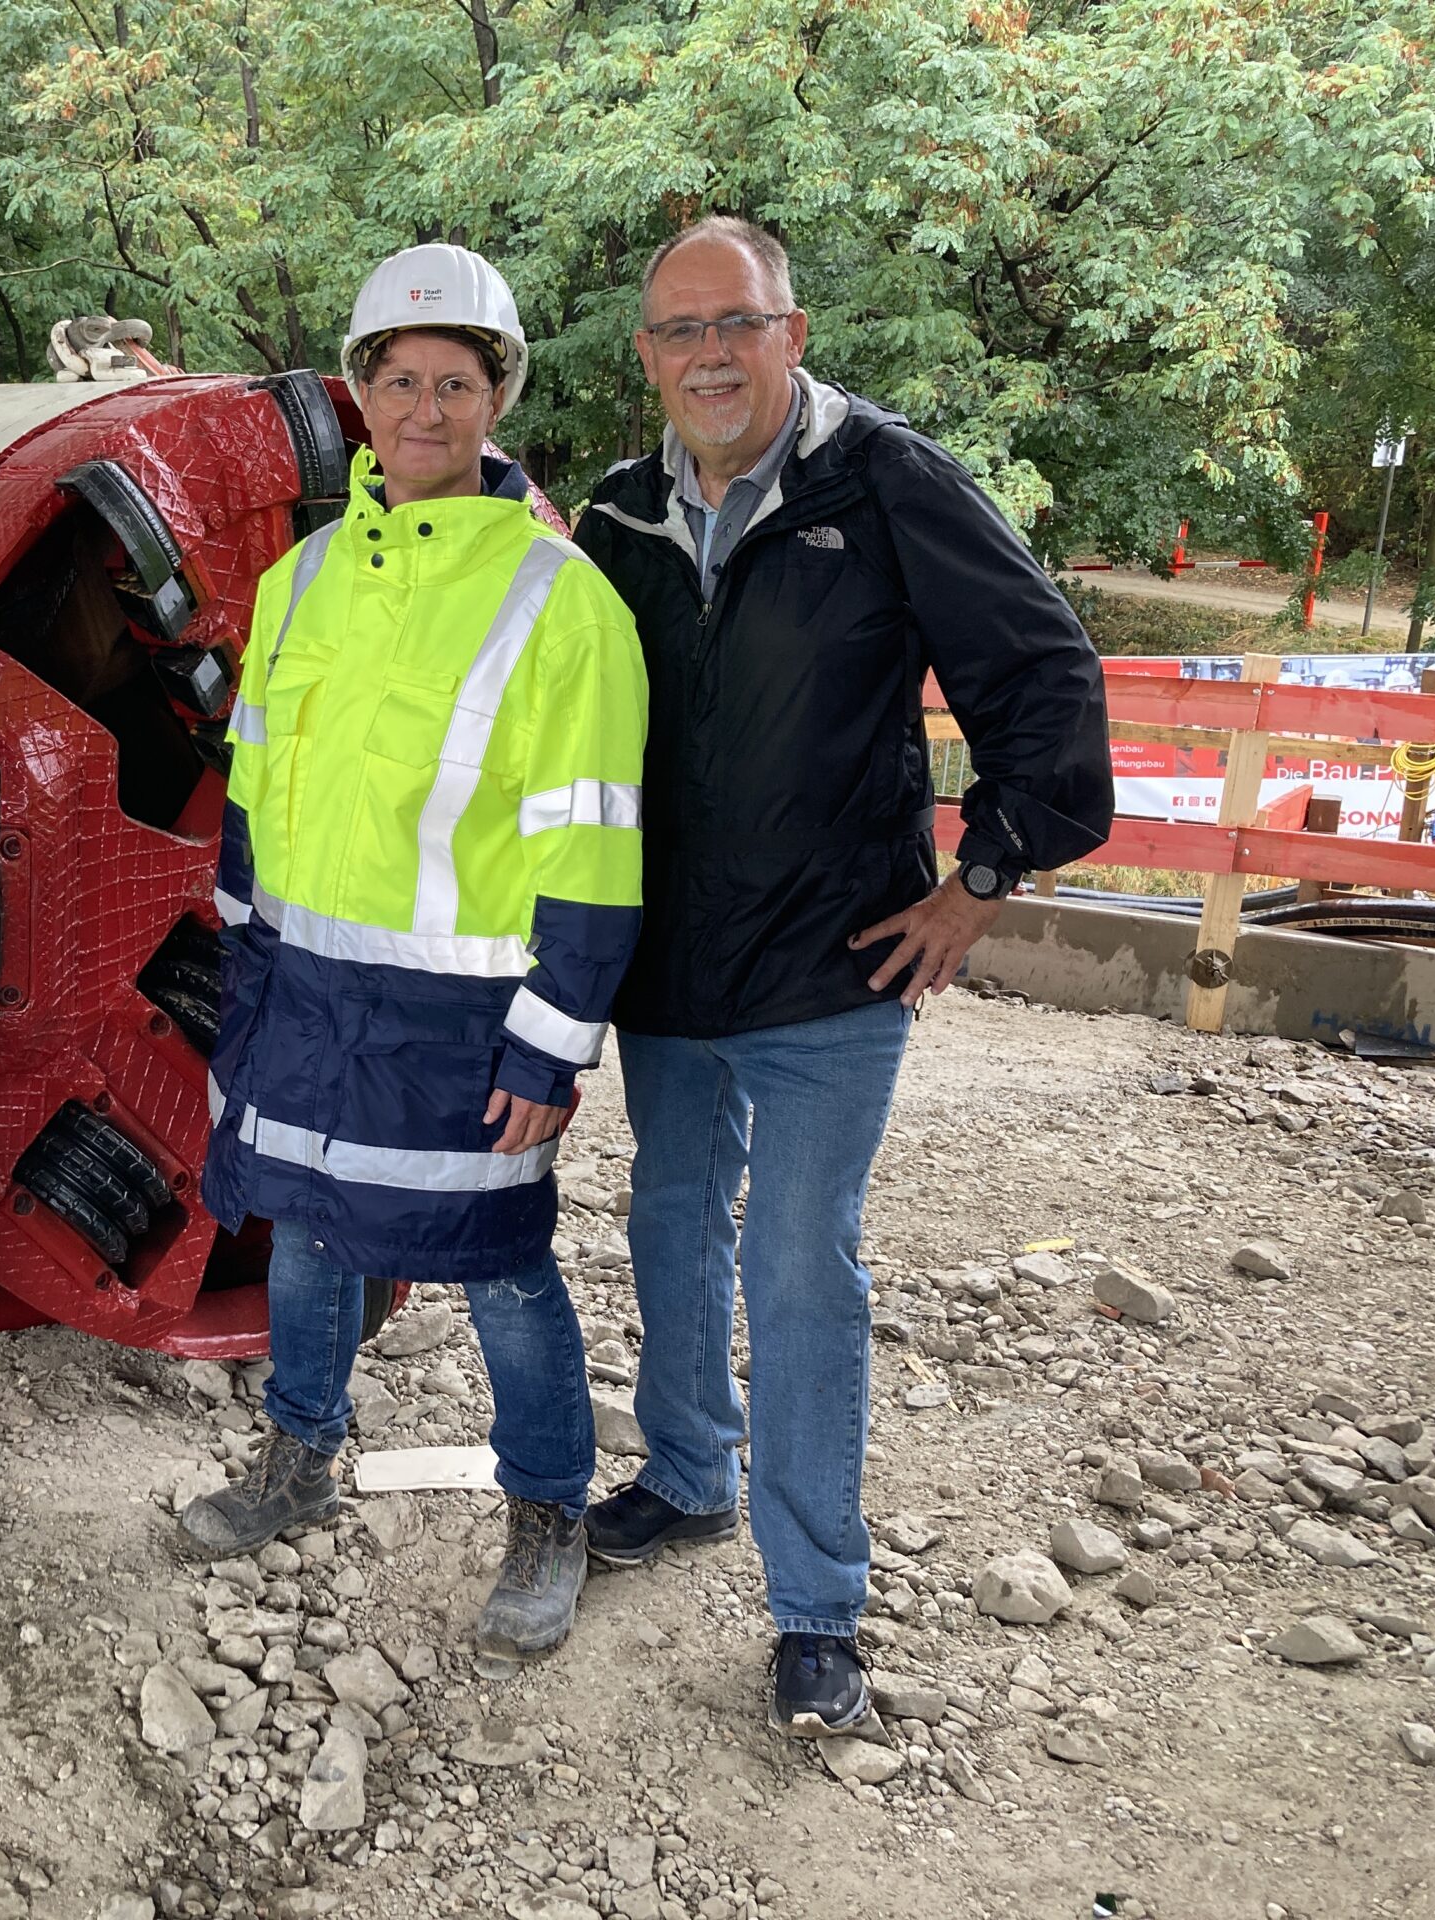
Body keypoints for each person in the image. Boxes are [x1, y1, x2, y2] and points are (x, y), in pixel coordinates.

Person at [571, 216, 1113, 1734]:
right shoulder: (617, 515)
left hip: (832, 964)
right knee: (669, 1222)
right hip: (671, 966)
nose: (709, 355)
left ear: (790, 332)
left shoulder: (884, 480)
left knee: (800, 1265)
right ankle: (687, 1477)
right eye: (679, 332)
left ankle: (817, 1607)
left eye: (734, 323)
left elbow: (1043, 672)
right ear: (649, 359)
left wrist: (982, 882)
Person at [187, 245, 651, 1674]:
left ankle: (547, 1513)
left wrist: (552, 1039)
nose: (425, 405)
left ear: (498, 395)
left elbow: (592, 846)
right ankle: (299, 1454)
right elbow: (256, 781)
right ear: (362, 394)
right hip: (307, 989)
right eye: (399, 378)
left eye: (457, 380)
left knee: (499, 1262)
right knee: (310, 1227)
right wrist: (240, 957)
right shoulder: (306, 576)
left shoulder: (560, 602)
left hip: (464, 1015)